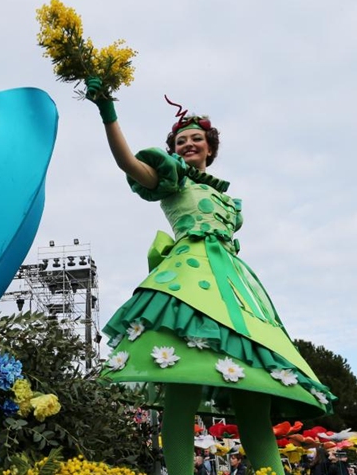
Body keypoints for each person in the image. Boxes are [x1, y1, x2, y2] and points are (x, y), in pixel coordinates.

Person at [84, 75, 335, 475]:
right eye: (180, 140)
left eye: (195, 138)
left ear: (210, 148)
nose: (187, 144)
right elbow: (127, 163)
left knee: (255, 395)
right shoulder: (172, 179)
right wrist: (107, 111)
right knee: (181, 380)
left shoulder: (225, 200)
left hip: (234, 288)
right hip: (187, 285)